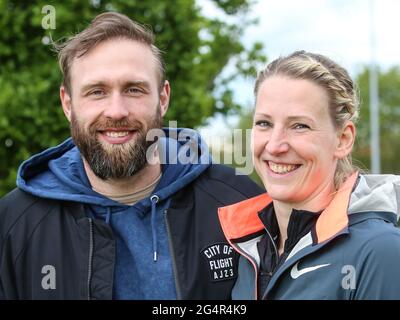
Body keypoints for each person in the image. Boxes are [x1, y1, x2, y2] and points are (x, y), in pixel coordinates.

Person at [0, 12, 264, 300]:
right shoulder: (14, 225)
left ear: (163, 99)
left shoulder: (242, 203)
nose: (116, 111)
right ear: (67, 103)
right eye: (96, 91)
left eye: (134, 89)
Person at [218, 51, 400, 300]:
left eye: (299, 126)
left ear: (343, 139)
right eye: (264, 123)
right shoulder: (249, 249)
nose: (274, 146)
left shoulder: (381, 252)